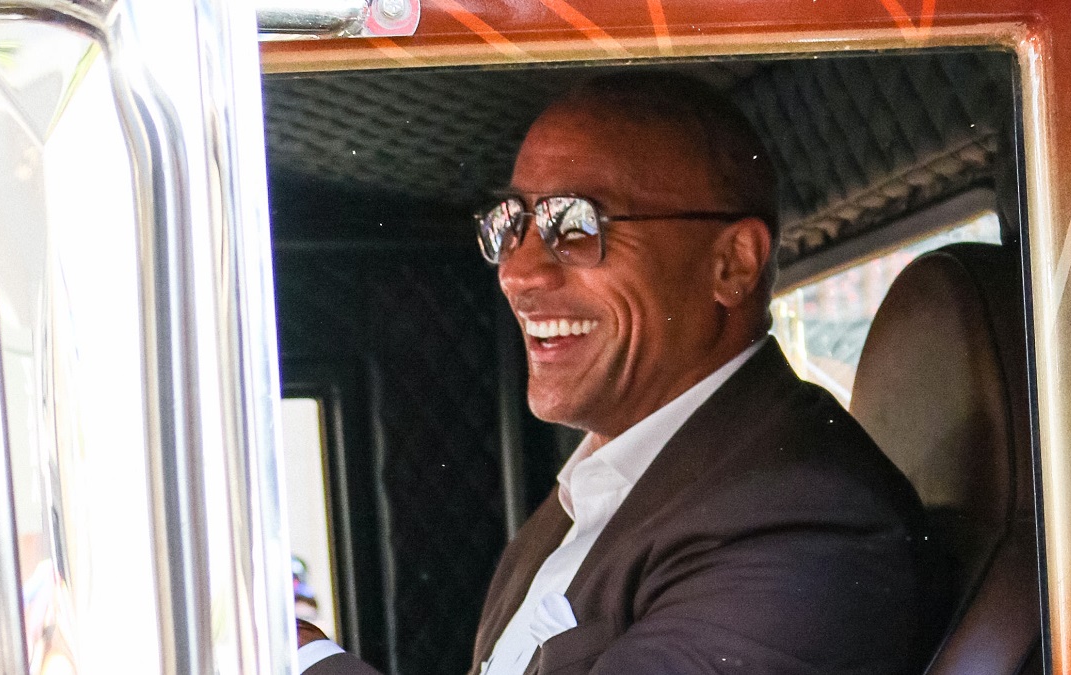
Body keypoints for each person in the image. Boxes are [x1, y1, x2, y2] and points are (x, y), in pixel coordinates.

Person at [298, 72, 935, 674]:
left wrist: (289, 653)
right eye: (513, 224)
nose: (519, 273)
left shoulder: (804, 521)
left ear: (733, 264)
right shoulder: (596, 495)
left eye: (575, 225)